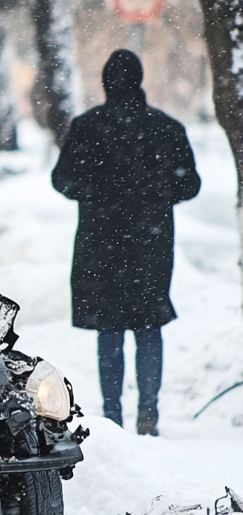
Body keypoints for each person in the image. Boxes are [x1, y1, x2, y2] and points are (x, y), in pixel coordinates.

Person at [51, 49, 200, 436]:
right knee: (150, 325)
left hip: (101, 243)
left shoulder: (87, 127)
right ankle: (148, 412)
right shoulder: (165, 128)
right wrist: (153, 193)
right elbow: (190, 184)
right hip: (150, 242)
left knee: (110, 327)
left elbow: (62, 180)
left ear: (105, 82)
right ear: (139, 80)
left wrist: (97, 192)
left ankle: (113, 415)